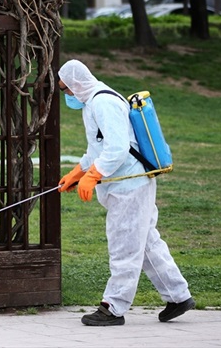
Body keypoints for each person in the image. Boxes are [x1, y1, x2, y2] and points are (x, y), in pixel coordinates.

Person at [57, 59, 194, 327]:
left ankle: (113, 308)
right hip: (125, 185)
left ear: (76, 84)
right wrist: (78, 172)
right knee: (145, 244)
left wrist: (94, 175)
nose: (66, 95)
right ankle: (178, 296)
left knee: (124, 246)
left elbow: (117, 149)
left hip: (129, 188)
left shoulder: (102, 103)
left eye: (65, 89)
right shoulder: (92, 103)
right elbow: (98, 148)